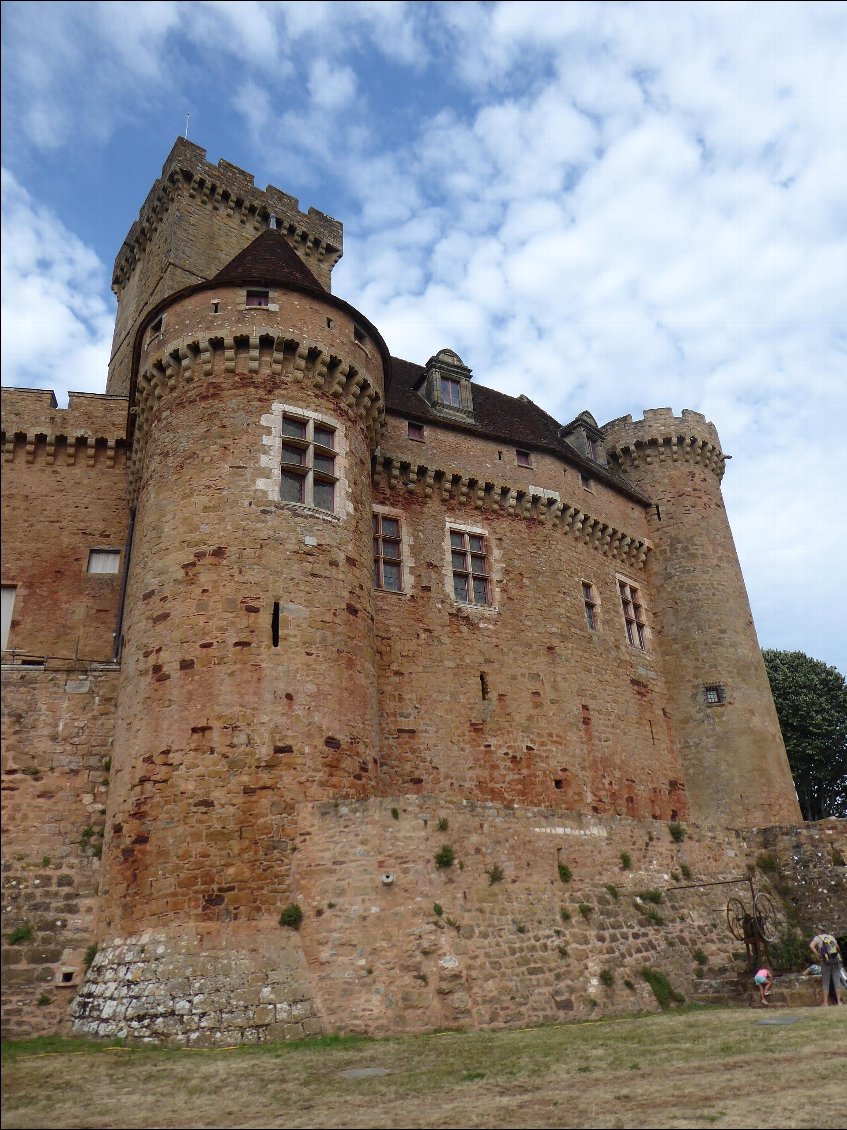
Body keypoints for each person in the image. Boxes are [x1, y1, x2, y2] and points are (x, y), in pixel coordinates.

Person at [809, 931, 843, 1007]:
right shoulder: (832, 938)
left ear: (819, 932)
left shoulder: (818, 938)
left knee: (826, 982)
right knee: (837, 981)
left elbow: (811, 945)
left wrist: (818, 954)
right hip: (835, 961)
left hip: (825, 962)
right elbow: (838, 948)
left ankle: (825, 1003)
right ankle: (839, 1002)